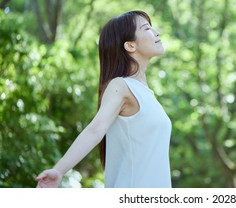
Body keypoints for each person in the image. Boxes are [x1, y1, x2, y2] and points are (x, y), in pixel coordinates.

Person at [35, 10, 172, 188]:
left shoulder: (146, 93)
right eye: (147, 28)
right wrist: (59, 170)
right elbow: (96, 129)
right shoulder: (121, 85)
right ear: (130, 46)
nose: (156, 32)